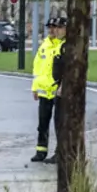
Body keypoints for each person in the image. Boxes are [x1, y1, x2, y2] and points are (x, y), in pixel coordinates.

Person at [30, 16, 65, 164]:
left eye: (55, 27)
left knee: (60, 124)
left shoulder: (62, 45)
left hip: (57, 91)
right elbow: (37, 68)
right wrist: (35, 88)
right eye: (50, 27)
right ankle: (41, 151)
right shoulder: (44, 45)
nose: (52, 30)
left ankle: (60, 152)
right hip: (44, 91)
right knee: (42, 124)